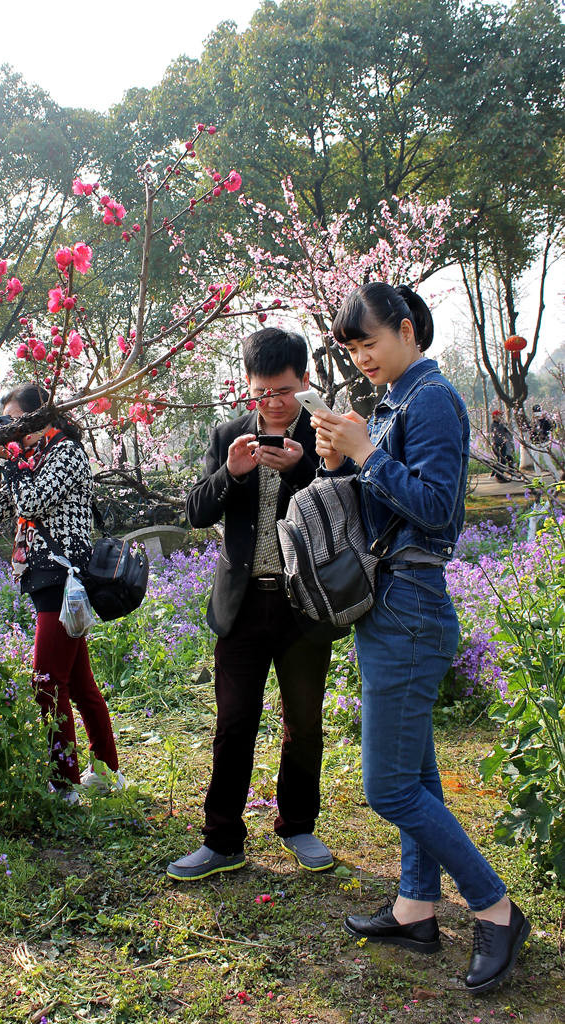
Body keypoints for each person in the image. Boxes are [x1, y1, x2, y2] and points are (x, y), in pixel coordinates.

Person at [311, 283, 530, 995]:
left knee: (389, 788)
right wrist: (342, 460)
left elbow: (437, 510)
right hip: (390, 604)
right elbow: (381, 504)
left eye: (368, 341)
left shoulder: (431, 398)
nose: (361, 357)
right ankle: (414, 907)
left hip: (410, 604)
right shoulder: (398, 399)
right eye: (350, 348)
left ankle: (495, 908)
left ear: (406, 329)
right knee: (416, 774)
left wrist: (368, 454)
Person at [167, 327, 344, 881]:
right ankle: (222, 840)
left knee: (304, 724)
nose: (272, 402)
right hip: (242, 605)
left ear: (305, 381)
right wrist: (231, 472)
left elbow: (347, 503)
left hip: (303, 605)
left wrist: (303, 470)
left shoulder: (325, 434)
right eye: (262, 391)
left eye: (284, 391)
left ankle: (298, 825)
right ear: (247, 384)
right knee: (235, 722)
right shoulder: (228, 435)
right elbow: (194, 511)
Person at [0, 383, 122, 804]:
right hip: (44, 579)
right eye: (6, 424)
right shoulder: (32, 459)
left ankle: (65, 783)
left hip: (63, 578)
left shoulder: (67, 453)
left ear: (42, 418)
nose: (11, 431)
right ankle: (107, 770)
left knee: (46, 681)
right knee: (76, 681)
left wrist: (14, 458)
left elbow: (33, 500)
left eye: (17, 422)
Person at [489, 410, 514, 481]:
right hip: (497, 445)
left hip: (503, 444)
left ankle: (507, 473)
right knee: (501, 460)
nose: (500, 417)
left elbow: (508, 432)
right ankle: (498, 475)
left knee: (506, 459)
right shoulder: (493, 425)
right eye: (499, 415)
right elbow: (496, 433)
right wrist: (502, 424)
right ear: (494, 416)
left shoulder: (501, 424)